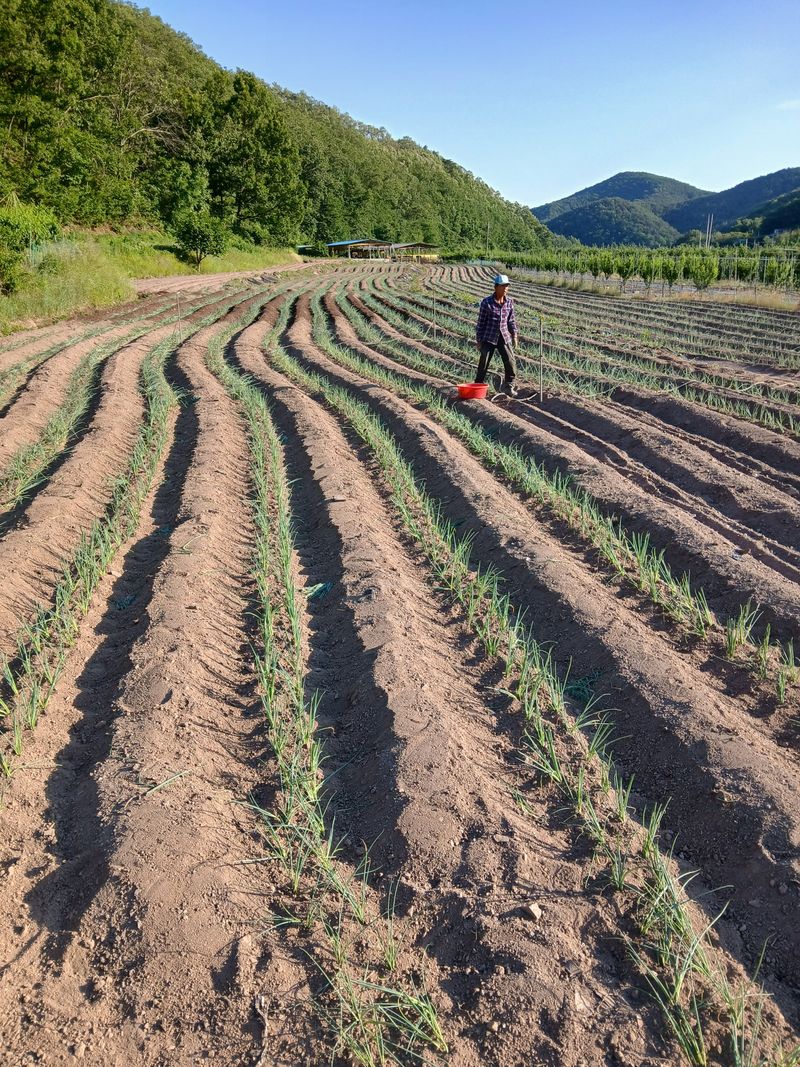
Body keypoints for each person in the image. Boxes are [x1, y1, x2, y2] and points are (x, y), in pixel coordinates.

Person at [474, 273, 519, 397]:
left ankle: (509, 387)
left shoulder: (509, 302)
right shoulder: (487, 302)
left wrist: (514, 335)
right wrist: (479, 340)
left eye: (507, 286)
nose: (505, 288)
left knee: (510, 362)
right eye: (502, 286)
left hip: (504, 337)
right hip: (489, 337)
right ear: (496, 287)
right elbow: (481, 322)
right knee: (484, 362)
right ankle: (477, 386)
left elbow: (511, 320)